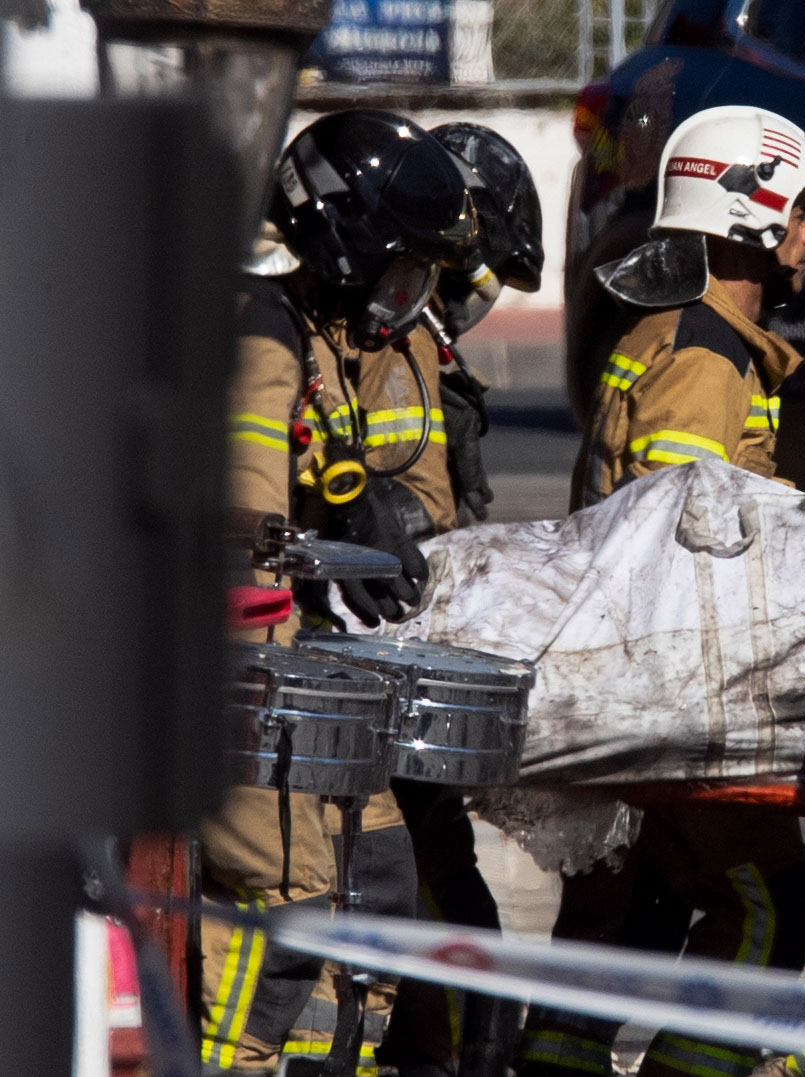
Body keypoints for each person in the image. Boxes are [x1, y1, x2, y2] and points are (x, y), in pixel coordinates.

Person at [516, 105, 805, 1077]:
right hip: (680, 699)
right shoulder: (707, 357)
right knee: (765, 905)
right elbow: (678, 538)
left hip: (631, 690)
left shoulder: (677, 335)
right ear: (748, 219)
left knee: (626, 921)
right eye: (799, 213)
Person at [199, 108, 479, 1077]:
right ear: (344, 241)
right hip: (242, 670)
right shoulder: (259, 330)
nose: (407, 302)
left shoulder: (313, 325)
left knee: (382, 877)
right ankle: (230, 1061)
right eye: (402, 272)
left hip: (304, 671)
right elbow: (239, 533)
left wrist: (363, 519)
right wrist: (318, 541)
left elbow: (324, 468)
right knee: (286, 896)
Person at [371, 120, 546, 1077]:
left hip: (416, 638)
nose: (470, 304)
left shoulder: (423, 351)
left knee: (437, 868)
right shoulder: (385, 342)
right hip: (376, 643)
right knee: (408, 870)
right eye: (475, 279)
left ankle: (444, 1052)